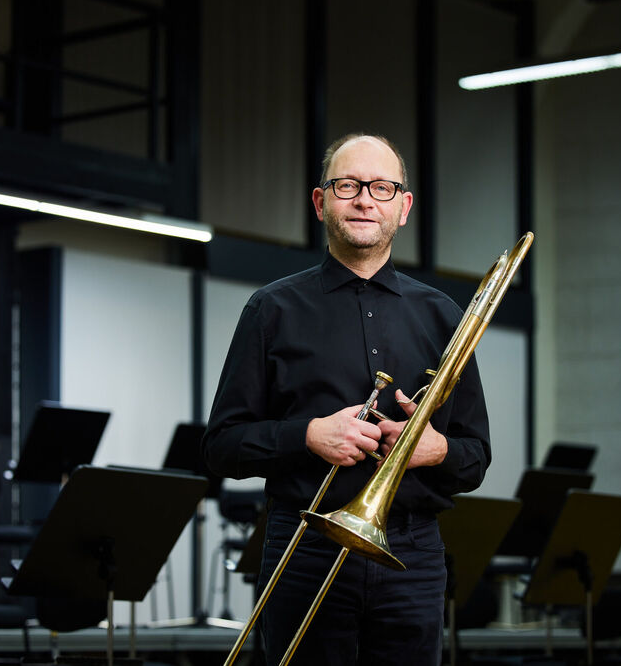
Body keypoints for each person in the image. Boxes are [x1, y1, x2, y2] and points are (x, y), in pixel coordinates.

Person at [203, 133, 490, 666]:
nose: (364, 200)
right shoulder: (271, 310)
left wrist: (435, 450)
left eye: (382, 188)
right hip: (304, 545)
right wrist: (308, 435)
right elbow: (221, 446)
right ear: (320, 202)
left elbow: (475, 458)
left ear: (403, 207)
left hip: (412, 553)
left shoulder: (444, 316)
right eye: (347, 186)